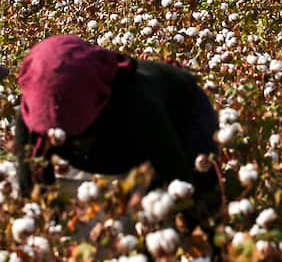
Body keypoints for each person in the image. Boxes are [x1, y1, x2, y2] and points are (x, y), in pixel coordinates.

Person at [14, 36, 220, 212]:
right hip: (118, 148)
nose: (60, 131)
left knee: (200, 192)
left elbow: (176, 176)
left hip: (183, 115)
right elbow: (31, 190)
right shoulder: (30, 119)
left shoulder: (136, 101)